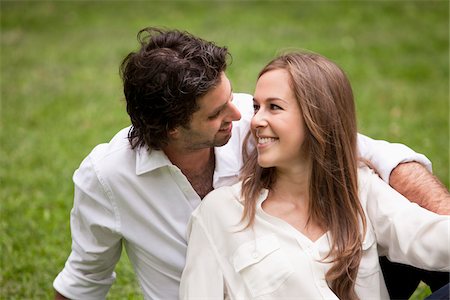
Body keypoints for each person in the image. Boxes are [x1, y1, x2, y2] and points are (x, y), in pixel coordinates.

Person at [53, 27, 448, 299]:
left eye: (262, 105)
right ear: (172, 129)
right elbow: (85, 278)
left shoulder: (353, 185)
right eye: (218, 113)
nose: (245, 116)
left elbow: (371, 157)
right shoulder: (117, 180)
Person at [179, 52, 450, 299]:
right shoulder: (219, 212)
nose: (256, 120)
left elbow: (428, 237)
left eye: (274, 107)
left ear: (316, 117)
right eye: (256, 106)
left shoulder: (358, 187)